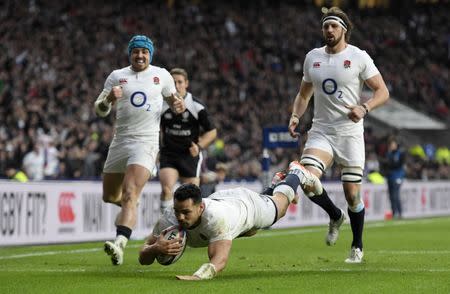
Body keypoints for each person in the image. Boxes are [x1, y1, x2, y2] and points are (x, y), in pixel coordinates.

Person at [288, 7, 389, 263]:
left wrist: (364, 107)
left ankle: (357, 245)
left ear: (344, 29)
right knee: (307, 179)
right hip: (321, 131)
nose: (329, 30)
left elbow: (382, 91)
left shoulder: (358, 57)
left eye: (334, 26)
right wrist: (296, 116)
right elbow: (303, 94)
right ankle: (335, 215)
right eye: (325, 26)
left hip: (350, 134)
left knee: (352, 195)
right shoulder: (313, 58)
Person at [94, 35, 185, 266]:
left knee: (129, 193)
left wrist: (177, 105)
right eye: (136, 51)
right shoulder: (117, 76)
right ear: (130, 54)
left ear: (150, 55)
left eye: (145, 52)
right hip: (120, 142)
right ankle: (132, 205)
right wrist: (108, 100)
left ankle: (119, 244)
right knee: (110, 196)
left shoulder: (161, 75)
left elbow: (175, 102)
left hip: (145, 143)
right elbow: (99, 109)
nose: (140, 55)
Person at [138, 161, 312, 280]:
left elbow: (219, 261)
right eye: (177, 211)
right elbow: (142, 257)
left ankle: (296, 173)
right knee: (250, 232)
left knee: (280, 209)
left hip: (246, 206)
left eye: (186, 212)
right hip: (223, 200)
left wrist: (197, 276)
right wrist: (155, 248)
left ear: (200, 208)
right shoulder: (168, 219)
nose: (180, 217)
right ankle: (273, 186)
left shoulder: (215, 218)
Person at [159, 68, 217, 212]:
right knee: (167, 189)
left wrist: (199, 146)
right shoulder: (161, 104)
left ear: (186, 84)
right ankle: (166, 225)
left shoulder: (196, 106)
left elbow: (212, 131)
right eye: (173, 82)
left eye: (180, 82)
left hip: (189, 156)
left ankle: (192, 229)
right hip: (169, 154)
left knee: (192, 197)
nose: (177, 85)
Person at [385, 136, 405, 219]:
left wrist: (390, 164)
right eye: (390, 144)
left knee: (395, 195)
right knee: (391, 196)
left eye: (393, 144)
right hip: (390, 177)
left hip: (397, 177)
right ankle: (394, 213)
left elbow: (399, 165)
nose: (392, 146)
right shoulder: (388, 154)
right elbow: (386, 165)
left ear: (396, 145)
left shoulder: (401, 153)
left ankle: (399, 213)